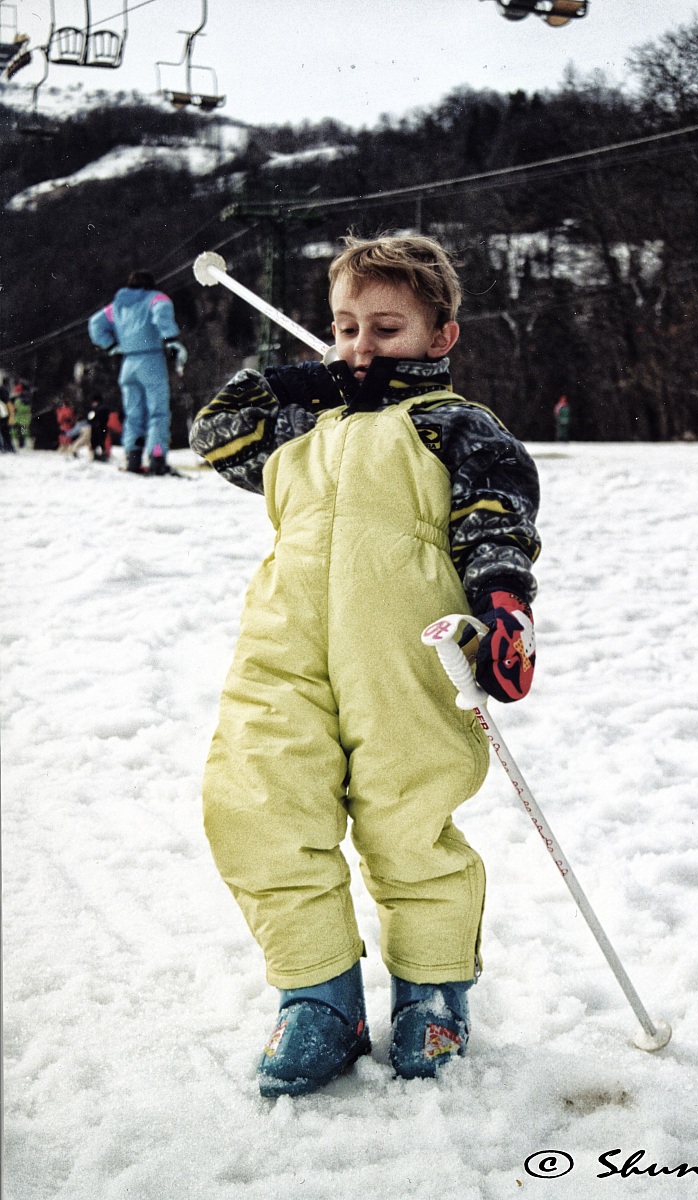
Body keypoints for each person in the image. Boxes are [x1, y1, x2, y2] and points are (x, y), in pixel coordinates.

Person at [190, 235, 541, 1097]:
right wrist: (308, 378)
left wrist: (501, 605)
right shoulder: (306, 426)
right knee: (257, 799)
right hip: (284, 646)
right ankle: (318, 998)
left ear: (439, 337)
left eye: (386, 328)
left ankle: (431, 993)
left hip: (407, 649)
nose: (359, 346)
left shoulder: (455, 423)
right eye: (344, 326)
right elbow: (216, 431)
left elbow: (497, 514)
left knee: (406, 815)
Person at [88, 270, 187, 475]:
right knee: (157, 413)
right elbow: (161, 312)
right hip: (151, 360)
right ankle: (157, 458)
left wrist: (110, 345)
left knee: (133, 415)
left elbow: (95, 324)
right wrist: (170, 339)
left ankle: (133, 458)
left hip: (128, 363)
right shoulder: (156, 298)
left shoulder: (117, 305)